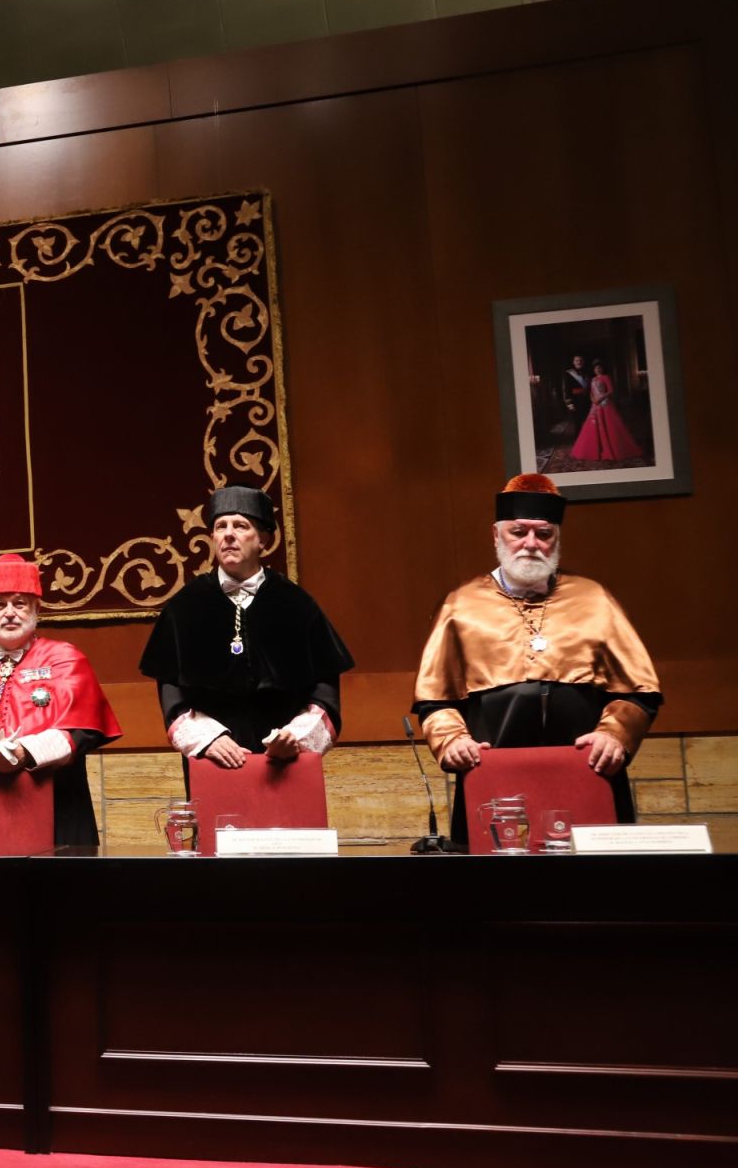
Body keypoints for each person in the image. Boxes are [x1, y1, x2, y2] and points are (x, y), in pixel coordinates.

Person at [414, 474, 662, 844]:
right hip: (494, 774)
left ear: (556, 538)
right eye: (518, 532)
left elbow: (639, 691)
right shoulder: (460, 605)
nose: (531, 544)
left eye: (543, 534)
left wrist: (615, 735)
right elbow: (434, 700)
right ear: (496, 535)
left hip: (587, 772)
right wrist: (451, 740)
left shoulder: (594, 598)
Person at [137, 485, 353, 769]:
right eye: (220, 527)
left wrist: (294, 738)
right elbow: (173, 697)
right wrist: (209, 739)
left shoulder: (296, 604)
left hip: (285, 763)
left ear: (263, 539)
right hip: (212, 761)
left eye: (240, 526)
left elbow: (325, 694)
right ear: (213, 538)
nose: (228, 534)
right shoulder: (184, 607)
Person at [0, 554, 121, 847]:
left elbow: (84, 731)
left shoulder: (66, 659)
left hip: (58, 805)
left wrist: (24, 752)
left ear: (36, 608)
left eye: (19, 603)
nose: (9, 613)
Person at [569, 360, 646, 462]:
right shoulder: (593, 379)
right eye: (596, 368)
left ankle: (611, 448)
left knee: (609, 425)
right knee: (592, 426)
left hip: (605, 403)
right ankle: (593, 450)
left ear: (602, 369)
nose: (597, 369)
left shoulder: (606, 377)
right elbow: (591, 392)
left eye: (599, 368)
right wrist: (593, 399)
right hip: (595, 405)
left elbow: (611, 390)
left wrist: (600, 398)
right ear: (594, 370)